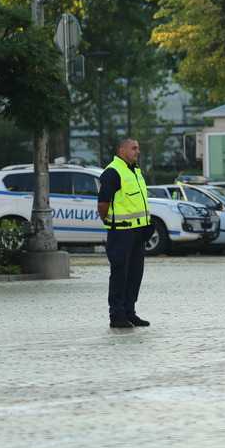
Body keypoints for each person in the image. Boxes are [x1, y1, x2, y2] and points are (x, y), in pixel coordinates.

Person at [97, 137, 152, 328]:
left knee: (135, 273)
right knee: (120, 272)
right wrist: (109, 222)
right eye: (134, 148)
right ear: (122, 151)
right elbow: (102, 204)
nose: (138, 151)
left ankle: (130, 312)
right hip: (120, 233)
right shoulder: (113, 172)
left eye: (138, 148)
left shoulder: (135, 171)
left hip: (138, 232)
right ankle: (117, 315)